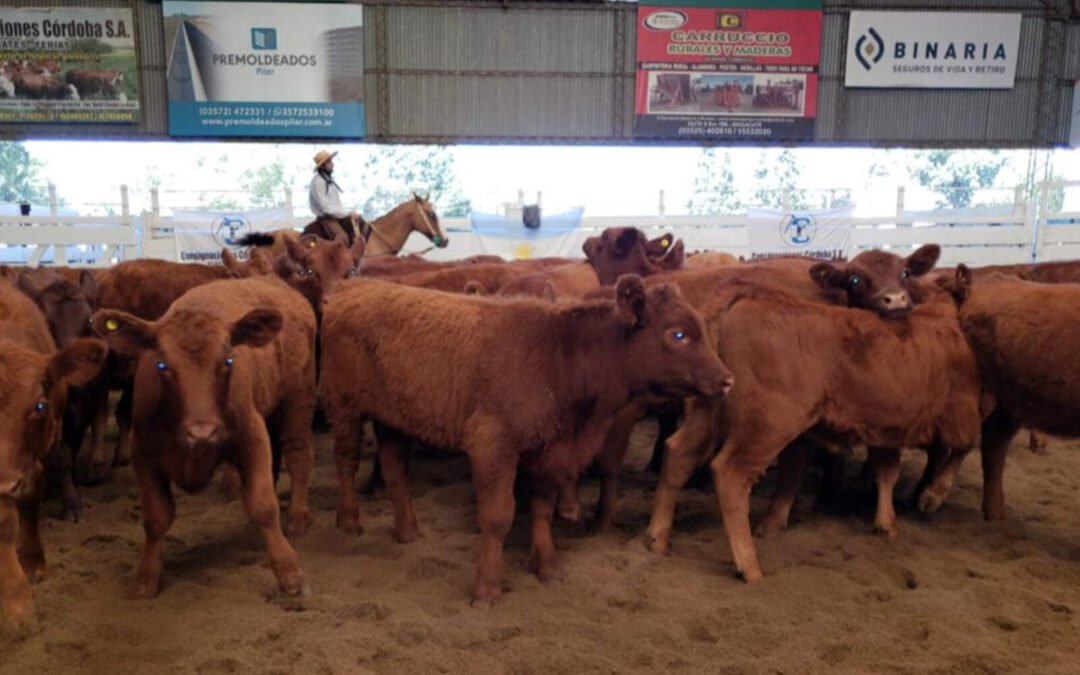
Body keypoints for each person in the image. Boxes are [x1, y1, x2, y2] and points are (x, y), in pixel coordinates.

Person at [307, 149, 362, 245]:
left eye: (331, 161)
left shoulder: (329, 181)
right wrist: (347, 214)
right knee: (343, 238)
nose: (332, 164)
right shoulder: (317, 182)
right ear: (322, 166)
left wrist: (347, 215)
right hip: (327, 218)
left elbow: (336, 206)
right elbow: (325, 208)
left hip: (336, 216)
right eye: (329, 162)